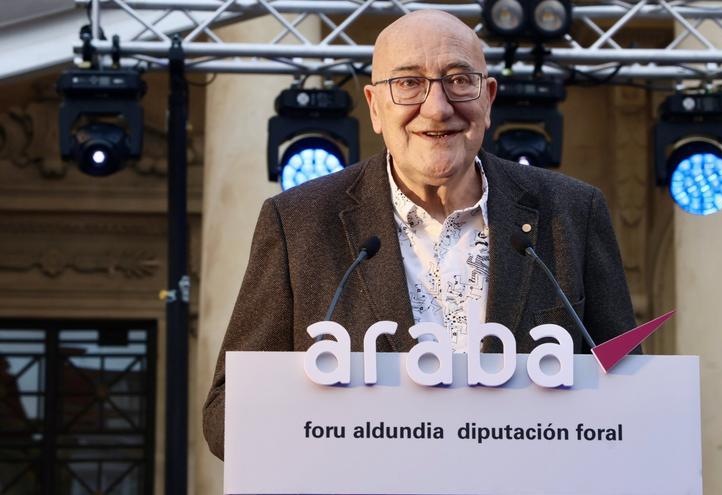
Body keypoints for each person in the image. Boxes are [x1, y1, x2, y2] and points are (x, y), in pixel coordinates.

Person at [203, 9, 636, 460]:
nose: (437, 107)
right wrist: (329, 436)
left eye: (458, 80)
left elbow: (632, 390)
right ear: (375, 106)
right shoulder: (299, 223)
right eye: (409, 83)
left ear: (488, 98)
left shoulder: (572, 213)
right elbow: (226, 411)